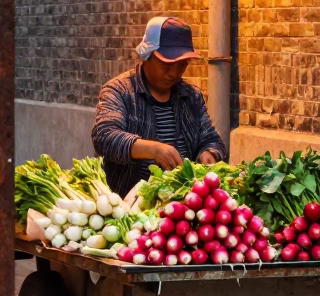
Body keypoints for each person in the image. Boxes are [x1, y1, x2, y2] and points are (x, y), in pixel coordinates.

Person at [92, 16, 228, 199]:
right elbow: (104, 136)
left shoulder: (191, 96)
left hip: (182, 208)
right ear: (147, 55)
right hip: (128, 206)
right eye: (166, 64)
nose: (173, 73)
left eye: (182, 65)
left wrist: (209, 154)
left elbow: (212, 140)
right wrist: (153, 150)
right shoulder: (119, 91)